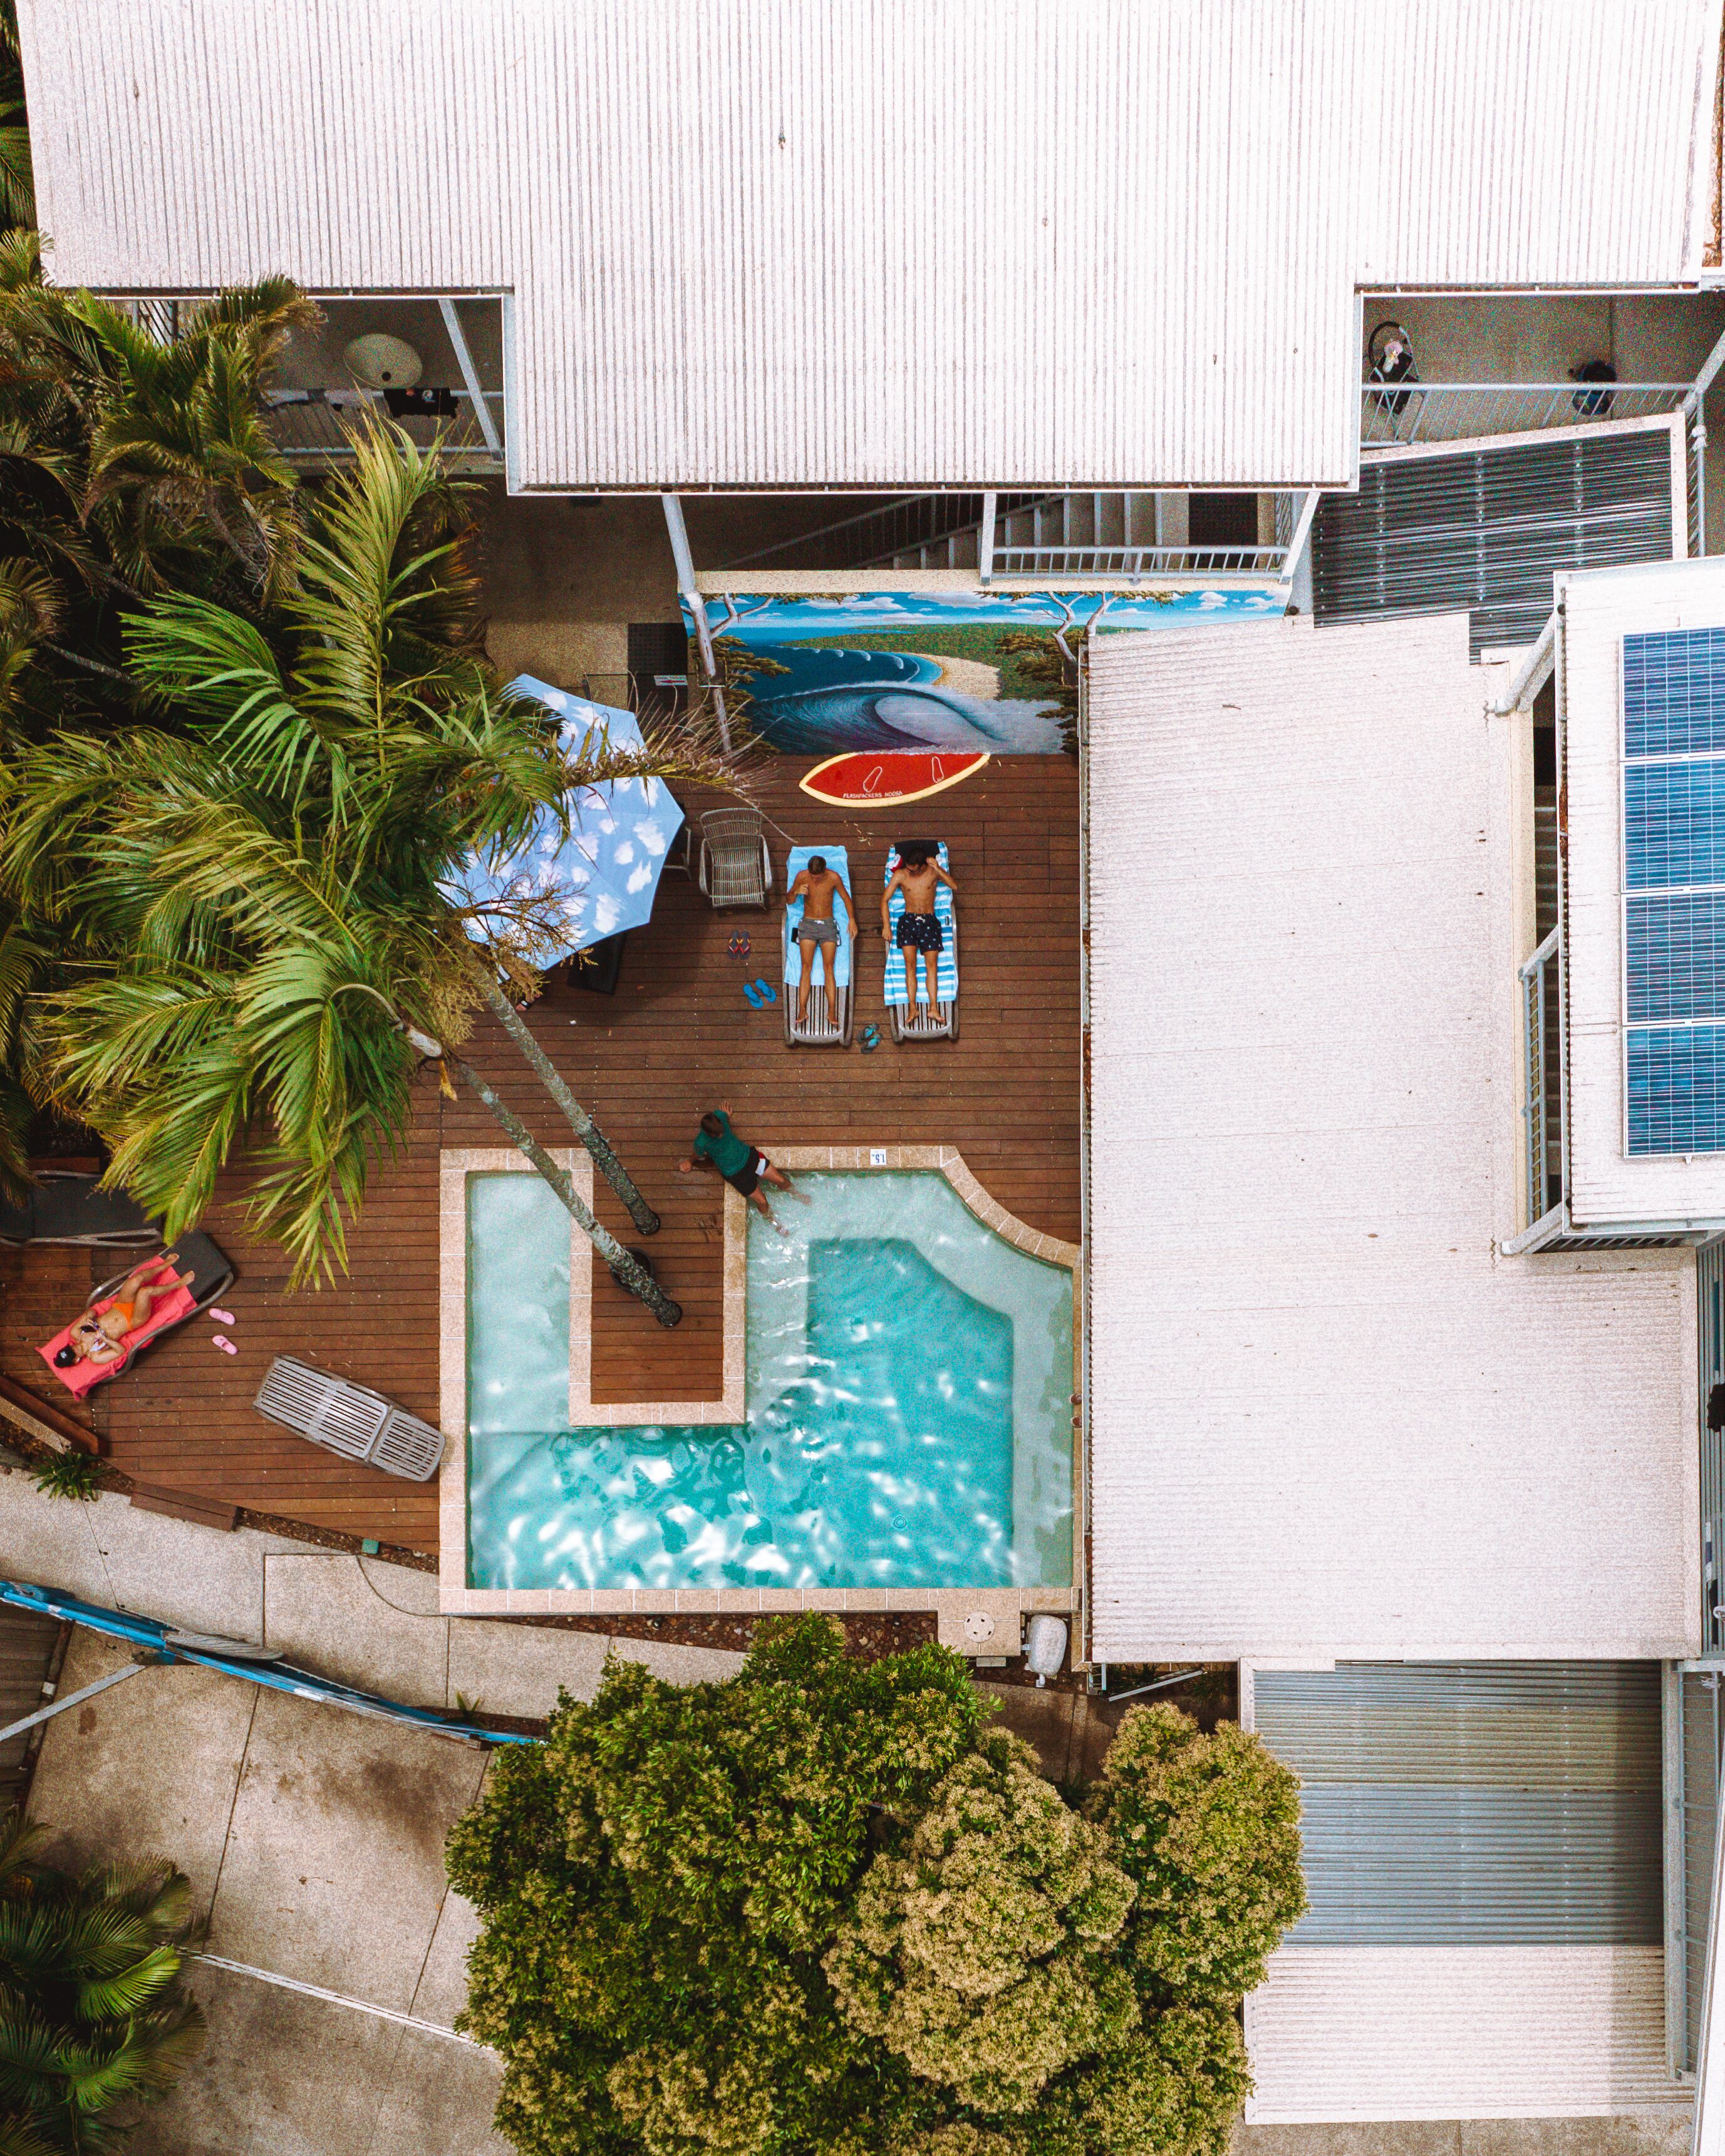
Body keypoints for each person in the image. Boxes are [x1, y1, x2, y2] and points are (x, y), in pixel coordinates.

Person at [678, 1105, 806, 1231]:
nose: (721, 1135)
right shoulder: (701, 1142)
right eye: (717, 1135)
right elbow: (697, 1154)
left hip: (749, 1157)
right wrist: (690, 1162)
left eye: (722, 1131)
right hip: (736, 1174)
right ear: (707, 1133)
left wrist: (727, 1115)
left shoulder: (720, 1117)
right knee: (762, 1202)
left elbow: (724, 1115)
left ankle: (797, 1194)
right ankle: (773, 1222)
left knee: (782, 1181)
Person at [53, 1254, 190, 1371]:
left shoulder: (76, 1333)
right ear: (76, 1360)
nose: (74, 1347)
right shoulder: (95, 1356)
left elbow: (92, 1311)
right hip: (133, 1320)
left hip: (120, 1305)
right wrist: (104, 1339)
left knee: (136, 1280)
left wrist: (88, 1319)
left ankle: (164, 1265)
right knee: (144, 1292)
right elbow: (121, 1351)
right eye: (73, 1352)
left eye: (70, 1347)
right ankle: (178, 1284)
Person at [881, 843, 956, 1009]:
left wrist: (938, 868)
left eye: (914, 870)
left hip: (929, 921)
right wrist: (887, 925)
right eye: (909, 868)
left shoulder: (933, 872)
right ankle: (912, 1008)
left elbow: (954, 886)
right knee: (910, 966)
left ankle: (933, 1009)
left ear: (923, 866)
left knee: (932, 966)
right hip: (908, 921)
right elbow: (884, 900)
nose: (910, 872)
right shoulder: (901, 875)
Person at [787, 853, 854, 1027]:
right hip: (808, 924)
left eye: (818, 877)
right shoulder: (802, 876)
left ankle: (831, 1011)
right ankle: (802, 1010)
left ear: (825, 872)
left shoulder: (833, 877)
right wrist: (795, 892)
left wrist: (852, 919)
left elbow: (846, 899)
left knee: (829, 967)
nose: (815, 880)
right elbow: (788, 900)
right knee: (805, 967)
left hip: (828, 924)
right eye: (812, 876)